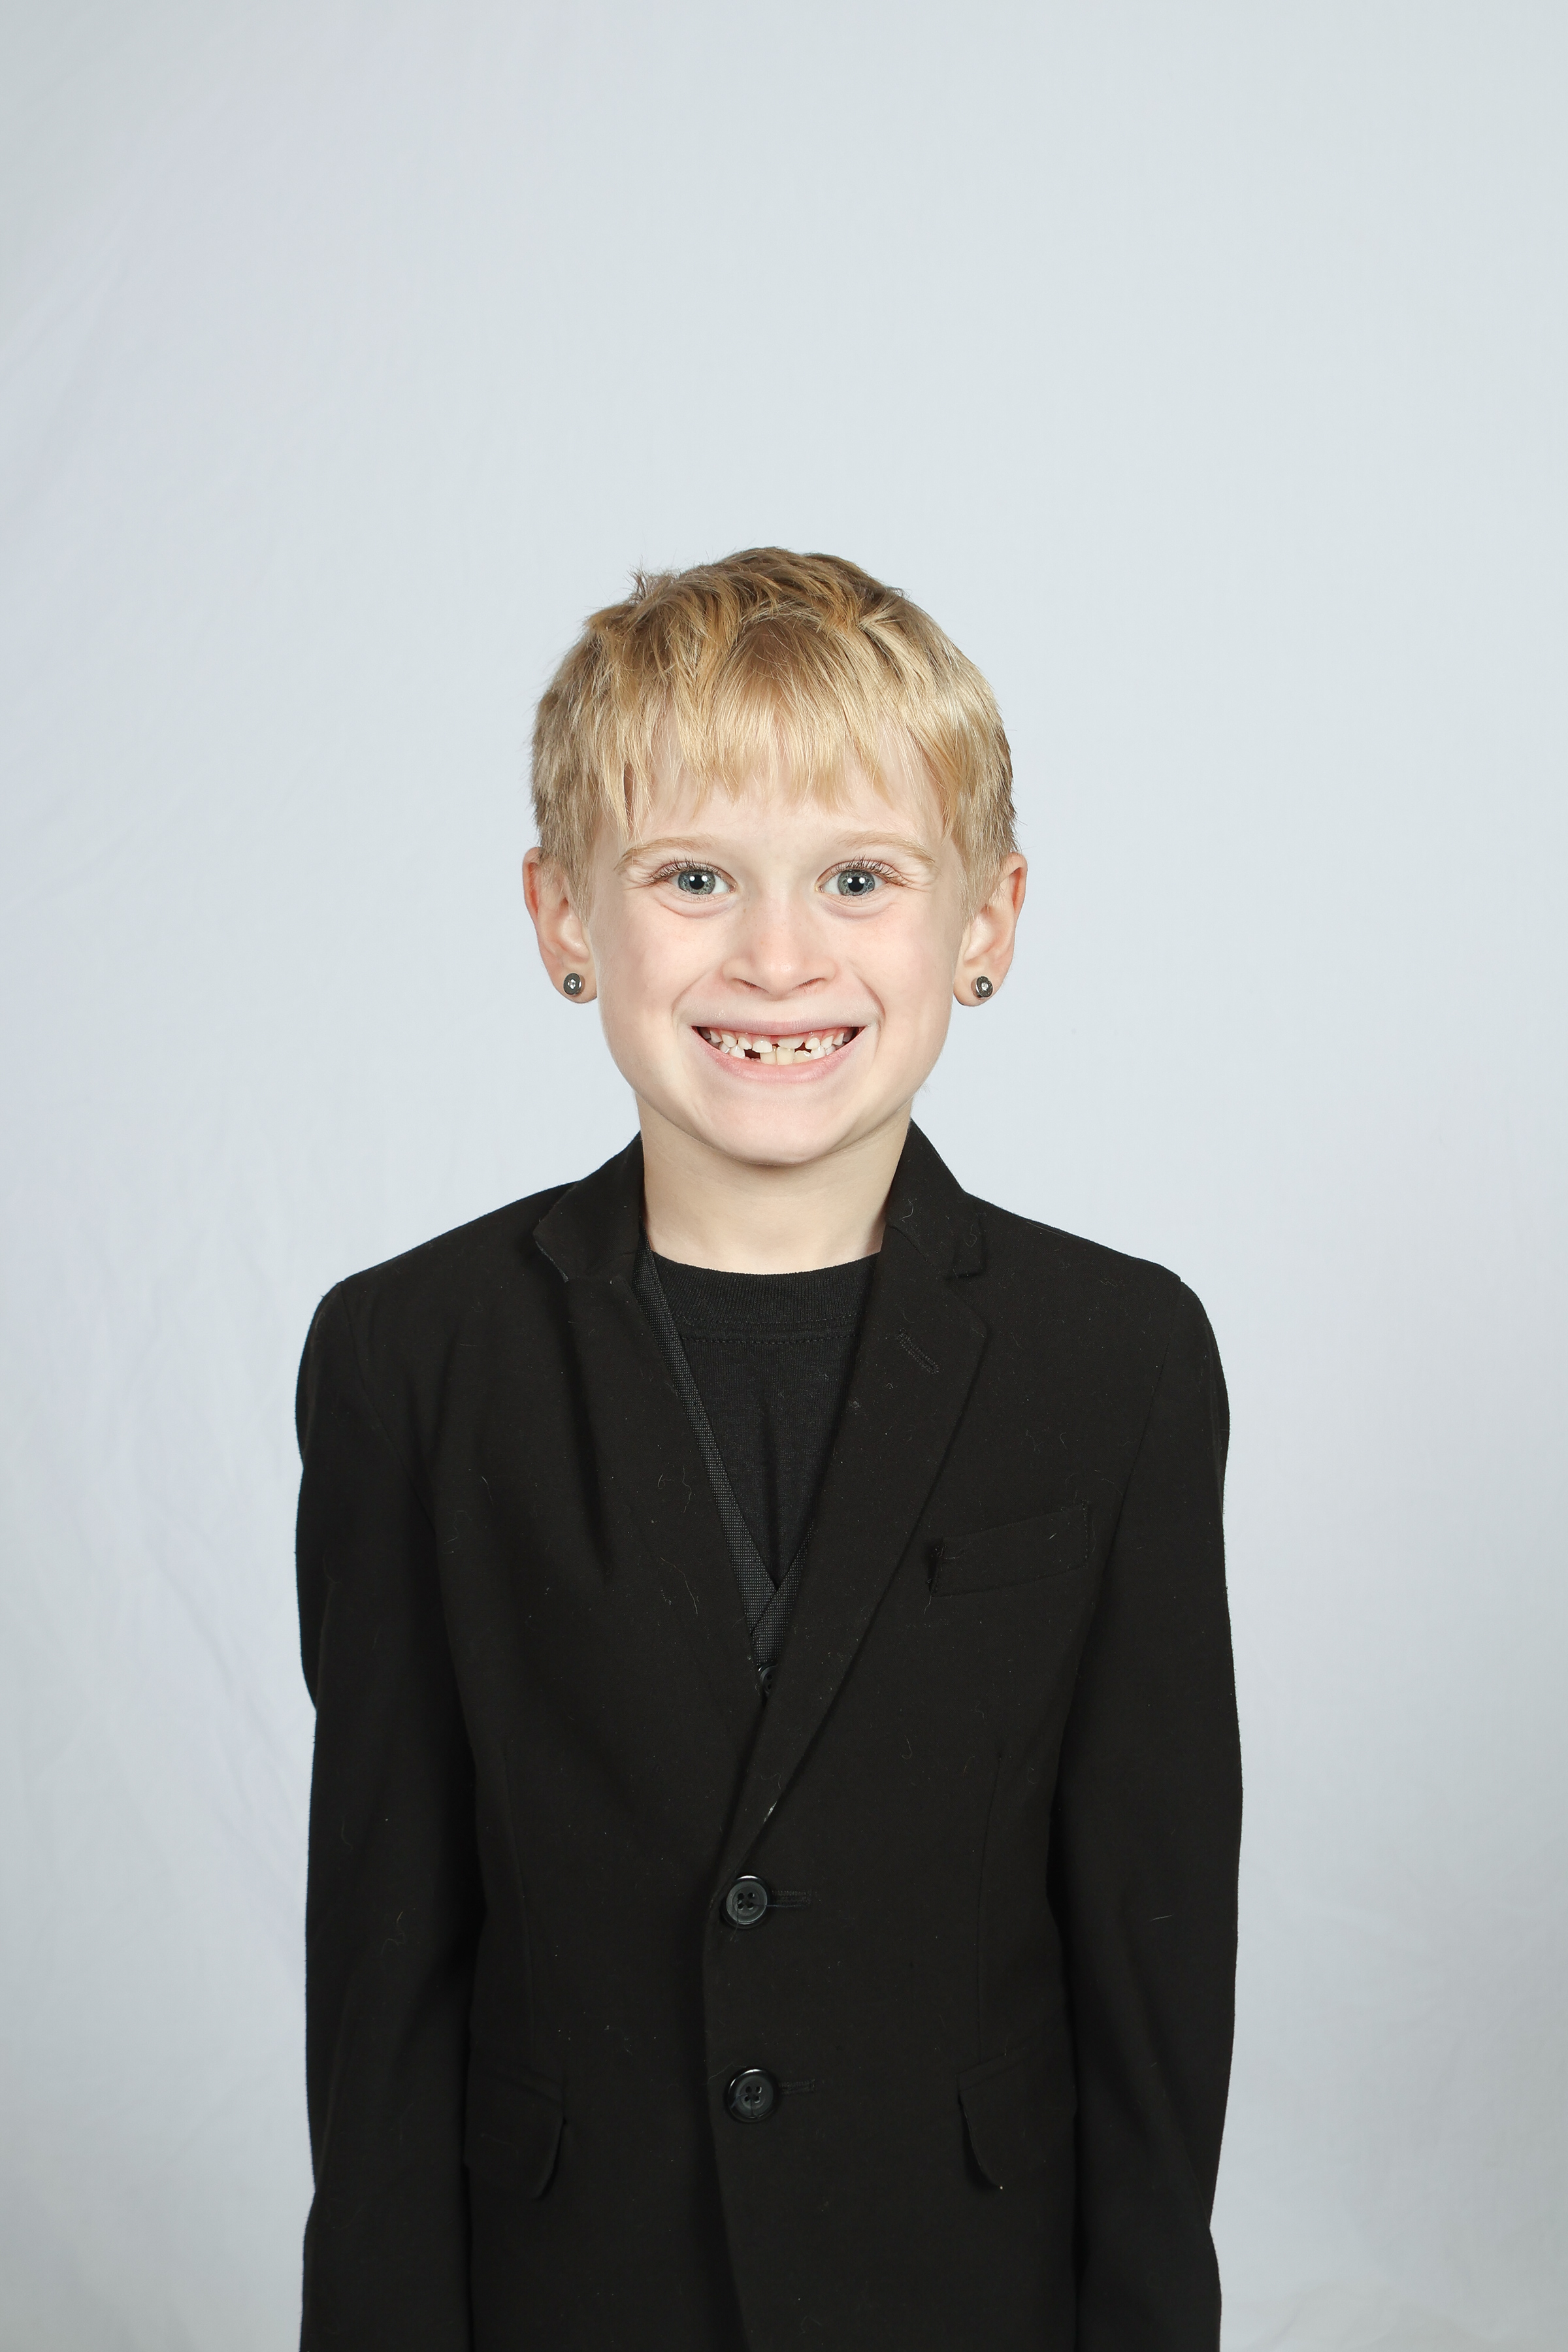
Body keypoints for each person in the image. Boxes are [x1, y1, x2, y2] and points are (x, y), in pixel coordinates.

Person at [294, 548, 1241, 2351]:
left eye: (860, 879)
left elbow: (1153, 1951)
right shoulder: (411, 1357)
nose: (780, 957)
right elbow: (386, 1963)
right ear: (563, 918)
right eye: (694, 877)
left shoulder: (1117, 1359)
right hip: (571, 2297)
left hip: (966, 2296)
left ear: (990, 920)